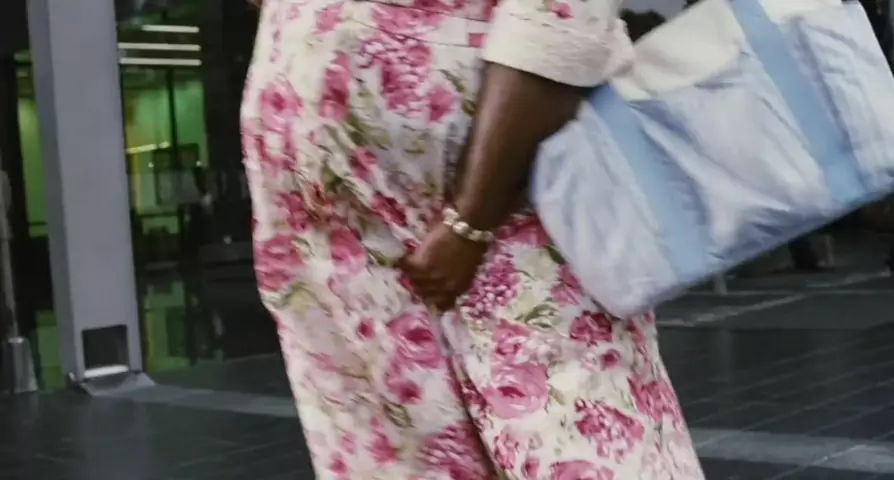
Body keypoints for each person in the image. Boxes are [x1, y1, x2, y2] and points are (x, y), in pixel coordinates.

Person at [241, 0, 704, 478]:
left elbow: (561, 13)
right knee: (394, 454)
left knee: (576, 434)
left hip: (499, 197)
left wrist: (471, 217)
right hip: (338, 239)